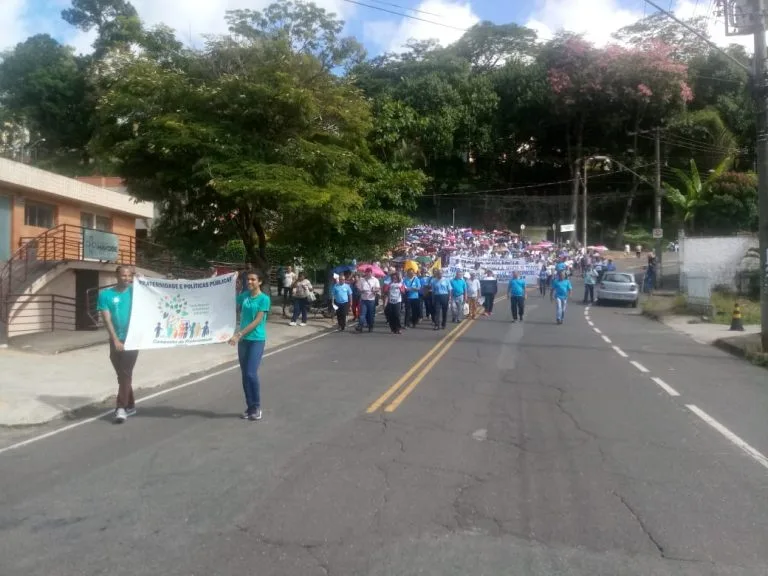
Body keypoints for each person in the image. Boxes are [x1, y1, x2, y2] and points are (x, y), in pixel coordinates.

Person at [98, 265, 138, 424]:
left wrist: (144, 281)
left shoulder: (135, 292)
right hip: (116, 339)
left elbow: (154, 293)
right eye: (123, 275)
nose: (126, 278)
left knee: (125, 372)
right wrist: (115, 339)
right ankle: (131, 405)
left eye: (129, 275)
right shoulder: (105, 295)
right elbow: (106, 319)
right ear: (117, 276)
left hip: (133, 339)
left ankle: (120, 408)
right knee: (122, 374)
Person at [229, 269, 270, 421]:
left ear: (259, 282)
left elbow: (257, 321)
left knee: (251, 373)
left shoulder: (264, 299)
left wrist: (239, 334)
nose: (250, 282)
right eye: (248, 279)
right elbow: (228, 303)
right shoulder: (244, 296)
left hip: (256, 340)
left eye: (253, 279)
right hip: (243, 342)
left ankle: (257, 406)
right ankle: (250, 407)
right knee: (245, 375)